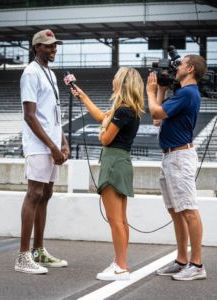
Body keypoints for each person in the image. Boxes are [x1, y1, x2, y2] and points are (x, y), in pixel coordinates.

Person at [71, 67, 144, 281]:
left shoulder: (122, 110)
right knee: (121, 219)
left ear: (122, 83)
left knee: (115, 220)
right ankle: (121, 262)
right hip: (122, 162)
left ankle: (120, 266)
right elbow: (102, 117)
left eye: (115, 78)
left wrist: (101, 132)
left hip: (113, 161)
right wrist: (83, 96)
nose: (112, 80)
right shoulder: (129, 109)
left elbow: (105, 139)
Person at [146, 54, 207, 281]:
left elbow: (155, 112)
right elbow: (157, 121)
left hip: (180, 157)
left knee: (188, 210)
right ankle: (182, 260)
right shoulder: (181, 93)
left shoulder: (188, 93)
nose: (176, 67)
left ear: (190, 69)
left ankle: (197, 264)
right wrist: (161, 89)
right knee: (176, 211)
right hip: (172, 157)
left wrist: (150, 92)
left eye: (180, 64)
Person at [14, 29, 70, 274]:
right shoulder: (30, 73)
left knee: (46, 193)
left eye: (55, 45)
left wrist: (63, 140)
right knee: (34, 193)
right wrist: (51, 145)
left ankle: (38, 250)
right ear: (36, 47)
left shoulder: (50, 73)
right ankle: (23, 256)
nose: (53, 49)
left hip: (51, 142)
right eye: (48, 46)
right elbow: (30, 116)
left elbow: (53, 114)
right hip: (38, 145)